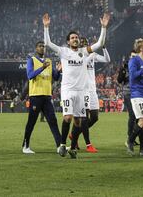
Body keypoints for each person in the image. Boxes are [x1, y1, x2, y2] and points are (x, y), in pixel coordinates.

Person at [43, 12, 110, 159]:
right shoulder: (64, 51)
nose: (75, 39)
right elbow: (48, 43)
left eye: (76, 38)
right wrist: (46, 27)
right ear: (68, 41)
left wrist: (103, 28)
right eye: (72, 38)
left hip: (81, 92)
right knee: (67, 117)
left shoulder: (84, 52)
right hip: (67, 90)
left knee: (79, 120)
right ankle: (62, 144)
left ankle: (73, 148)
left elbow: (99, 44)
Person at [22, 41, 62, 154]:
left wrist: (58, 71)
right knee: (31, 122)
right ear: (36, 48)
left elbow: (55, 77)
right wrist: (42, 68)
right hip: (35, 96)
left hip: (47, 96)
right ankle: (25, 146)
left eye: (43, 46)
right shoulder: (32, 60)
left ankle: (60, 146)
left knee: (53, 121)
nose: (42, 48)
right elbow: (30, 75)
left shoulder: (49, 61)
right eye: (40, 46)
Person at [73, 37, 110, 153]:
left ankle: (74, 134)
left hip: (92, 90)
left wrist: (103, 47)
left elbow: (107, 59)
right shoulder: (77, 56)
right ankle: (88, 144)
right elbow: (82, 66)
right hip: (83, 89)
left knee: (94, 118)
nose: (83, 45)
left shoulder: (91, 54)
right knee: (84, 117)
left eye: (85, 43)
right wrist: (90, 57)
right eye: (81, 43)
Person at [126, 38, 143, 157]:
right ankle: (130, 140)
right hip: (138, 95)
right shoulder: (134, 61)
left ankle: (142, 150)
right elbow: (133, 76)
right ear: (142, 49)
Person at [117, 51, 138, 147]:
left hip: (138, 93)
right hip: (128, 93)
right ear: (130, 56)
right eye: (133, 56)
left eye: (136, 56)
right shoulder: (125, 67)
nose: (134, 58)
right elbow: (119, 80)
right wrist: (122, 71)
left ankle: (133, 137)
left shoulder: (139, 65)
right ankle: (130, 138)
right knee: (132, 115)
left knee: (138, 117)